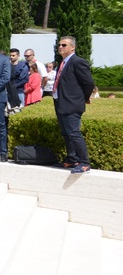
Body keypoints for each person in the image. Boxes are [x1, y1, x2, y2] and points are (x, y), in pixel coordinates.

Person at [52, 36, 95, 173]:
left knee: (74, 133)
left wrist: (85, 97)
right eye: (59, 45)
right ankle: (72, 159)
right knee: (66, 133)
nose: (60, 47)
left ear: (73, 47)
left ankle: (84, 163)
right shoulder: (62, 63)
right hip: (60, 103)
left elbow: (88, 83)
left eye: (64, 45)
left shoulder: (78, 62)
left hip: (72, 103)